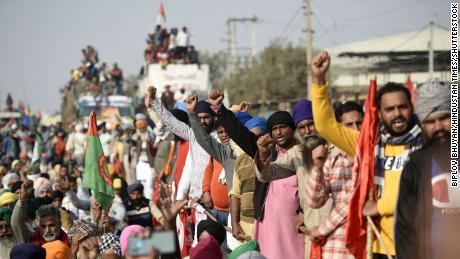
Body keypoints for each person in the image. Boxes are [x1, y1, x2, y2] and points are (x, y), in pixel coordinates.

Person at [310, 51, 425, 258]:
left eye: (402, 107)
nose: (397, 113)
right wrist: (319, 80)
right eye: (390, 109)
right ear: (379, 114)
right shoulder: (368, 145)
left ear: (411, 108)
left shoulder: (428, 143)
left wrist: (380, 206)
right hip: (380, 247)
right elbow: (325, 126)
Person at [395, 82, 457, 259]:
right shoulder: (415, 166)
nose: (438, 127)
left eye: (445, 118)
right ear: (422, 125)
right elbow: (405, 231)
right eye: (430, 121)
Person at [305, 101, 363, 258]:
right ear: (340, 129)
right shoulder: (333, 160)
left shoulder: (373, 159)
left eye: (359, 123)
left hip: (363, 242)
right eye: (349, 125)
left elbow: (356, 200)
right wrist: (317, 167)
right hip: (335, 247)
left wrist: (322, 229)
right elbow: (315, 201)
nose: (356, 130)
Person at [145, 86, 216, 202]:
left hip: (215, 197)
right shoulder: (192, 135)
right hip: (196, 198)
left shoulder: (220, 137)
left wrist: (219, 107)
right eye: (200, 118)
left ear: (213, 118)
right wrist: (154, 101)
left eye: (206, 117)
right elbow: (170, 121)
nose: (203, 121)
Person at [12, 180, 70, 246]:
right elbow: (16, 223)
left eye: (51, 225)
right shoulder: (31, 239)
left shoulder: (70, 243)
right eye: (43, 226)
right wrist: (22, 199)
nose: (48, 230)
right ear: (38, 227)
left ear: (59, 225)